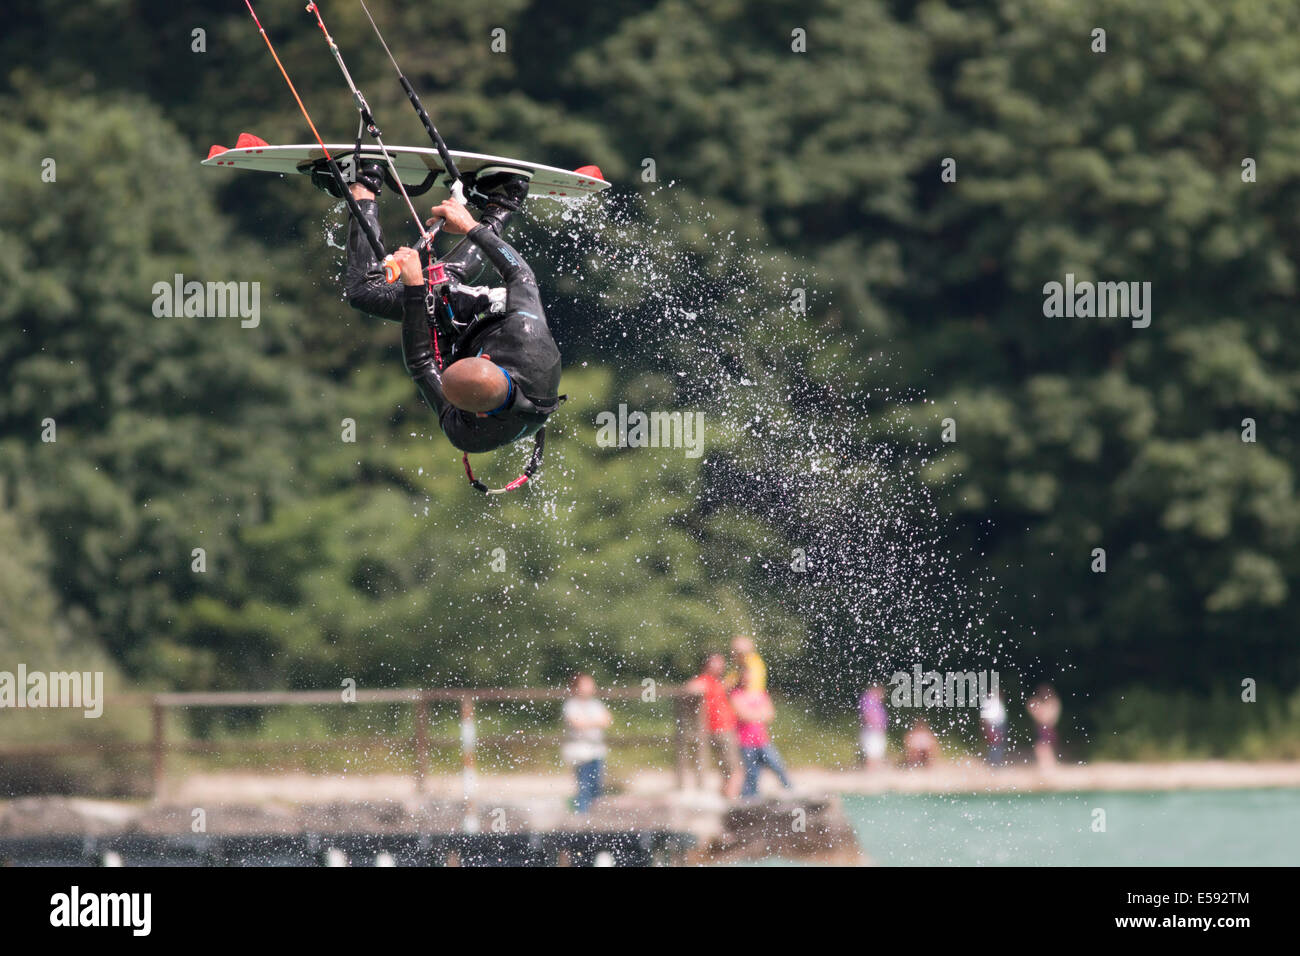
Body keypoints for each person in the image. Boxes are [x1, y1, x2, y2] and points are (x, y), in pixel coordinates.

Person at [319, 159, 563, 454]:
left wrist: (414, 288)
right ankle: (363, 181)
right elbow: (520, 274)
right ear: (486, 359)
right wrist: (470, 227)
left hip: (469, 342)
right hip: (490, 314)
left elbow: (423, 364)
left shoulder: (465, 434)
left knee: (437, 287)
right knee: (366, 291)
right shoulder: (527, 336)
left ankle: (504, 197)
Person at [730, 665, 793, 798]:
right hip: (745, 741)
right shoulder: (736, 694)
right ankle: (749, 800)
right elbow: (742, 715)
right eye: (744, 675)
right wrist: (759, 714)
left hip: (762, 739)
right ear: (740, 677)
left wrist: (752, 714)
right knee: (752, 773)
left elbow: (770, 714)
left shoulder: (760, 693)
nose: (747, 678)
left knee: (778, 765)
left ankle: (791, 791)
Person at [686, 653, 742, 799]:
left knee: (727, 770)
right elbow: (690, 689)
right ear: (707, 664)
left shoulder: (717, 681)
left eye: (721, 662)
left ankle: (726, 797)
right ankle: (731, 801)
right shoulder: (703, 681)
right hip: (719, 729)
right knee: (734, 770)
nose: (721, 665)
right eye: (717, 662)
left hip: (726, 727)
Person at [561, 673, 612, 814]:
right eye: (586, 684)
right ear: (576, 687)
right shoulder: (571, 705)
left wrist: (588, 723)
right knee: (584, 786)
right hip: (580, 752)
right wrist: (595, 722)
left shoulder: (595, 704)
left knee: (597, 786)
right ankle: (582, 816)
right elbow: (577, 724)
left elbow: (607, 720)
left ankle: (595, 816)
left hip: (596, 750)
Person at [1026, 683, 1061, 769]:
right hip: (1042, 728)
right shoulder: (1045, 703)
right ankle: (1047, 766)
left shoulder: (1052, 703)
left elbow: (1047, 718)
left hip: (1047, 728)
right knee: (1042, 747)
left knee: (1043, 747)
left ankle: (1048, 766)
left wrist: (1040, 711)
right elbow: (1032, 709)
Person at [858, 684, 888, 769]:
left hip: (876, 729)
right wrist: (872, 725)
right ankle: (871, 771)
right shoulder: (869, 699)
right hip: (872, 730)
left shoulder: (874, 701)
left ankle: (874, 771)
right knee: (872, 753)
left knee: (877, 752)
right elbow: (867, 714)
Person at [980, 688, 1008, 766]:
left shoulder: (998, 702)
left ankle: (996, 762)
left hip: (1000, 725)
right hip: (993, 726)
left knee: (999, 744)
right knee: (994, 744)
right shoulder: (988, 702)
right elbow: (984, 718)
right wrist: (987, 728)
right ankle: (993, 762)